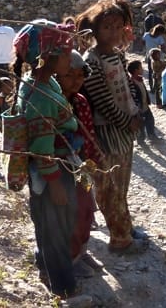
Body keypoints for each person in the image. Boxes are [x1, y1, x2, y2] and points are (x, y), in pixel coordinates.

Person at [76, 0, 148, 255]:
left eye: (118, 27)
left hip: (124, 130)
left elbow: (127, 87)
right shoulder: (92, 61)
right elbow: (102, 100)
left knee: (122, 184)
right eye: (107, 27)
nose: (114, 32)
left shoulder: (117, 55)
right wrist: (126, 121)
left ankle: (125, 226)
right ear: (94, 30)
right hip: (106, 132)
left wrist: (136, 112)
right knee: (110, 187)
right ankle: (120, 239)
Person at [12, 21, 79, 298]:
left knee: (48, 224)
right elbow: (42, 149)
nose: (69, 59)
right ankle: (63, 286)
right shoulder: (39, 94)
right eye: (66, 53)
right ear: (50, 55)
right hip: (52, 172)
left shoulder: (43, 81)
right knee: (56, 228)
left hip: (57, 166)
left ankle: (45, 267)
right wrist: (55, 184)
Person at [55, 50, 102, 278]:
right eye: (69, 76)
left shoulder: (80, 100)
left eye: (80, 76)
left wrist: (93, 165)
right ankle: (71, 258)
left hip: (81, 166)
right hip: (60, 167)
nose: (76, 81)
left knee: (86, 209)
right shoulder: (51, 102)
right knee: (69, 213)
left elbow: (88, 135)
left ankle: (81, 252)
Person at [127, 60, 159, 142]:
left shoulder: (140, 79)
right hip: (139, 108)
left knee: (150, 120)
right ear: (135, 70)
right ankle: (141, 140)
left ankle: (151, 136)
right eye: (140, 68)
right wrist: (137, 108)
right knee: (141, 125)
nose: (142, 69)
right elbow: (133, 97)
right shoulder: (132, 82)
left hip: (145, 106)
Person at [142, 24, 166, 90]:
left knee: (154, 71)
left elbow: (143, 43)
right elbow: (163, 47)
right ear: (158, 31)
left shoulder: (148, 36)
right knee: (152, 71)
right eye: (161, 33)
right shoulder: (148, 35)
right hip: (152, 57)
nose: (160, 34)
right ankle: (153, 86)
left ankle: (154, 86)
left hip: (155, 57)